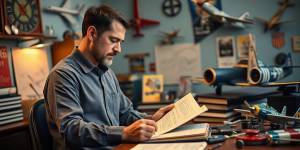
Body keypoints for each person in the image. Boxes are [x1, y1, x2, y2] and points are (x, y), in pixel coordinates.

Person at [44, 4, 174, 150]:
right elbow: (72, 130)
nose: (119, 49)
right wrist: (123, 133)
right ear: (92, 34)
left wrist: (152, 119)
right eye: (113, 40)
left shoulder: (107, 73)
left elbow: (125, 113)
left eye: (120, 42)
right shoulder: (62, 75)